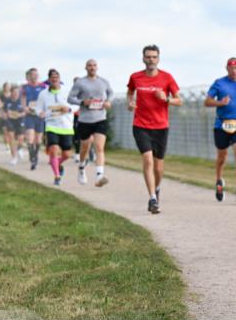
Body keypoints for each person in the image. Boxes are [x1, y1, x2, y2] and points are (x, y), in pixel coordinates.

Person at [126, 45, 181, 214]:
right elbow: (130, 92)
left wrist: (166, 100)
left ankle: (156, 189)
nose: (151, 60)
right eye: (148, 57)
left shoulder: (167, 78)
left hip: (161, 126)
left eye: (154, 57)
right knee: (148, 160)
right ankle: (152, 198)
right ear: (143, 58)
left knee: (158, 167)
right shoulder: (136, 77)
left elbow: (179, 100)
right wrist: (130, 102)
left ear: (158, 59)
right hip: (141, 125)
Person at [204, 57, 236, 203]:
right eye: (231, 68)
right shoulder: (219, 83)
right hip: (221, 125)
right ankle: (219, 180)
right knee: (222, 157)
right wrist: (220, 102)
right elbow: (207, 101)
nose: (234, 70)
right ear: (226, 68)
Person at [67, 59, 113, 187]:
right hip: (85, 120)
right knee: (84, 148)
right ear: (86, 68)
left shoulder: (103, 82)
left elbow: (111, 93)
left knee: (99, 147)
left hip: (100, 118)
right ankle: (81, 168)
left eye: (94, 65)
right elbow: (70, 98)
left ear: (97, 67)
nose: (92, 68)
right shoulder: (80, 83)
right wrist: (83, 102)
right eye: (89, 65)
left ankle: (99, 175)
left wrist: (108, 101)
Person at [35, 69, 74, 185]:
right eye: (52, 77)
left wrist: (70, 109)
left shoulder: (67, 92)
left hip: (66, 126)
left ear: (59, 79)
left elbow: (77, 105)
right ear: (49, 80)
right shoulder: (43, 94)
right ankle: (57, 176)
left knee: (67, 154)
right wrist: (40, 113)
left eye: (56, 77)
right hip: (51, 125)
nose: (54, 79)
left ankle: (57, 163)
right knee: (53, 151)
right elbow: (38, 108)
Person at [20, 68, 48, 170]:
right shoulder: (24, 87)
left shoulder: (43, 86)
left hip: (40, 116)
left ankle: (35, 156)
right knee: (30, 138)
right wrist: (25, 108)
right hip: (29, 115)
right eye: (33, 74)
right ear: (29, 76)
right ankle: (32, 157)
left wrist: (44, 111)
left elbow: (47, 100)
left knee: (38, 139)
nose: (35, 76)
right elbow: (23, 100)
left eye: (36, 74)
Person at [1, 84, 25, 165]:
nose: (15, 93)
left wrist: (19, 115)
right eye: (14, 92)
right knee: (11, 139)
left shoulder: (22, 101)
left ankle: (19, 148)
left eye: (17, 92)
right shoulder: (8, 101)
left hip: (20, 121)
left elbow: (26, 112)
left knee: (21, 139)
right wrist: (4, 115)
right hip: (10, 121)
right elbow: (3, 111)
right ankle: (14, 158)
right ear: (11, 92)